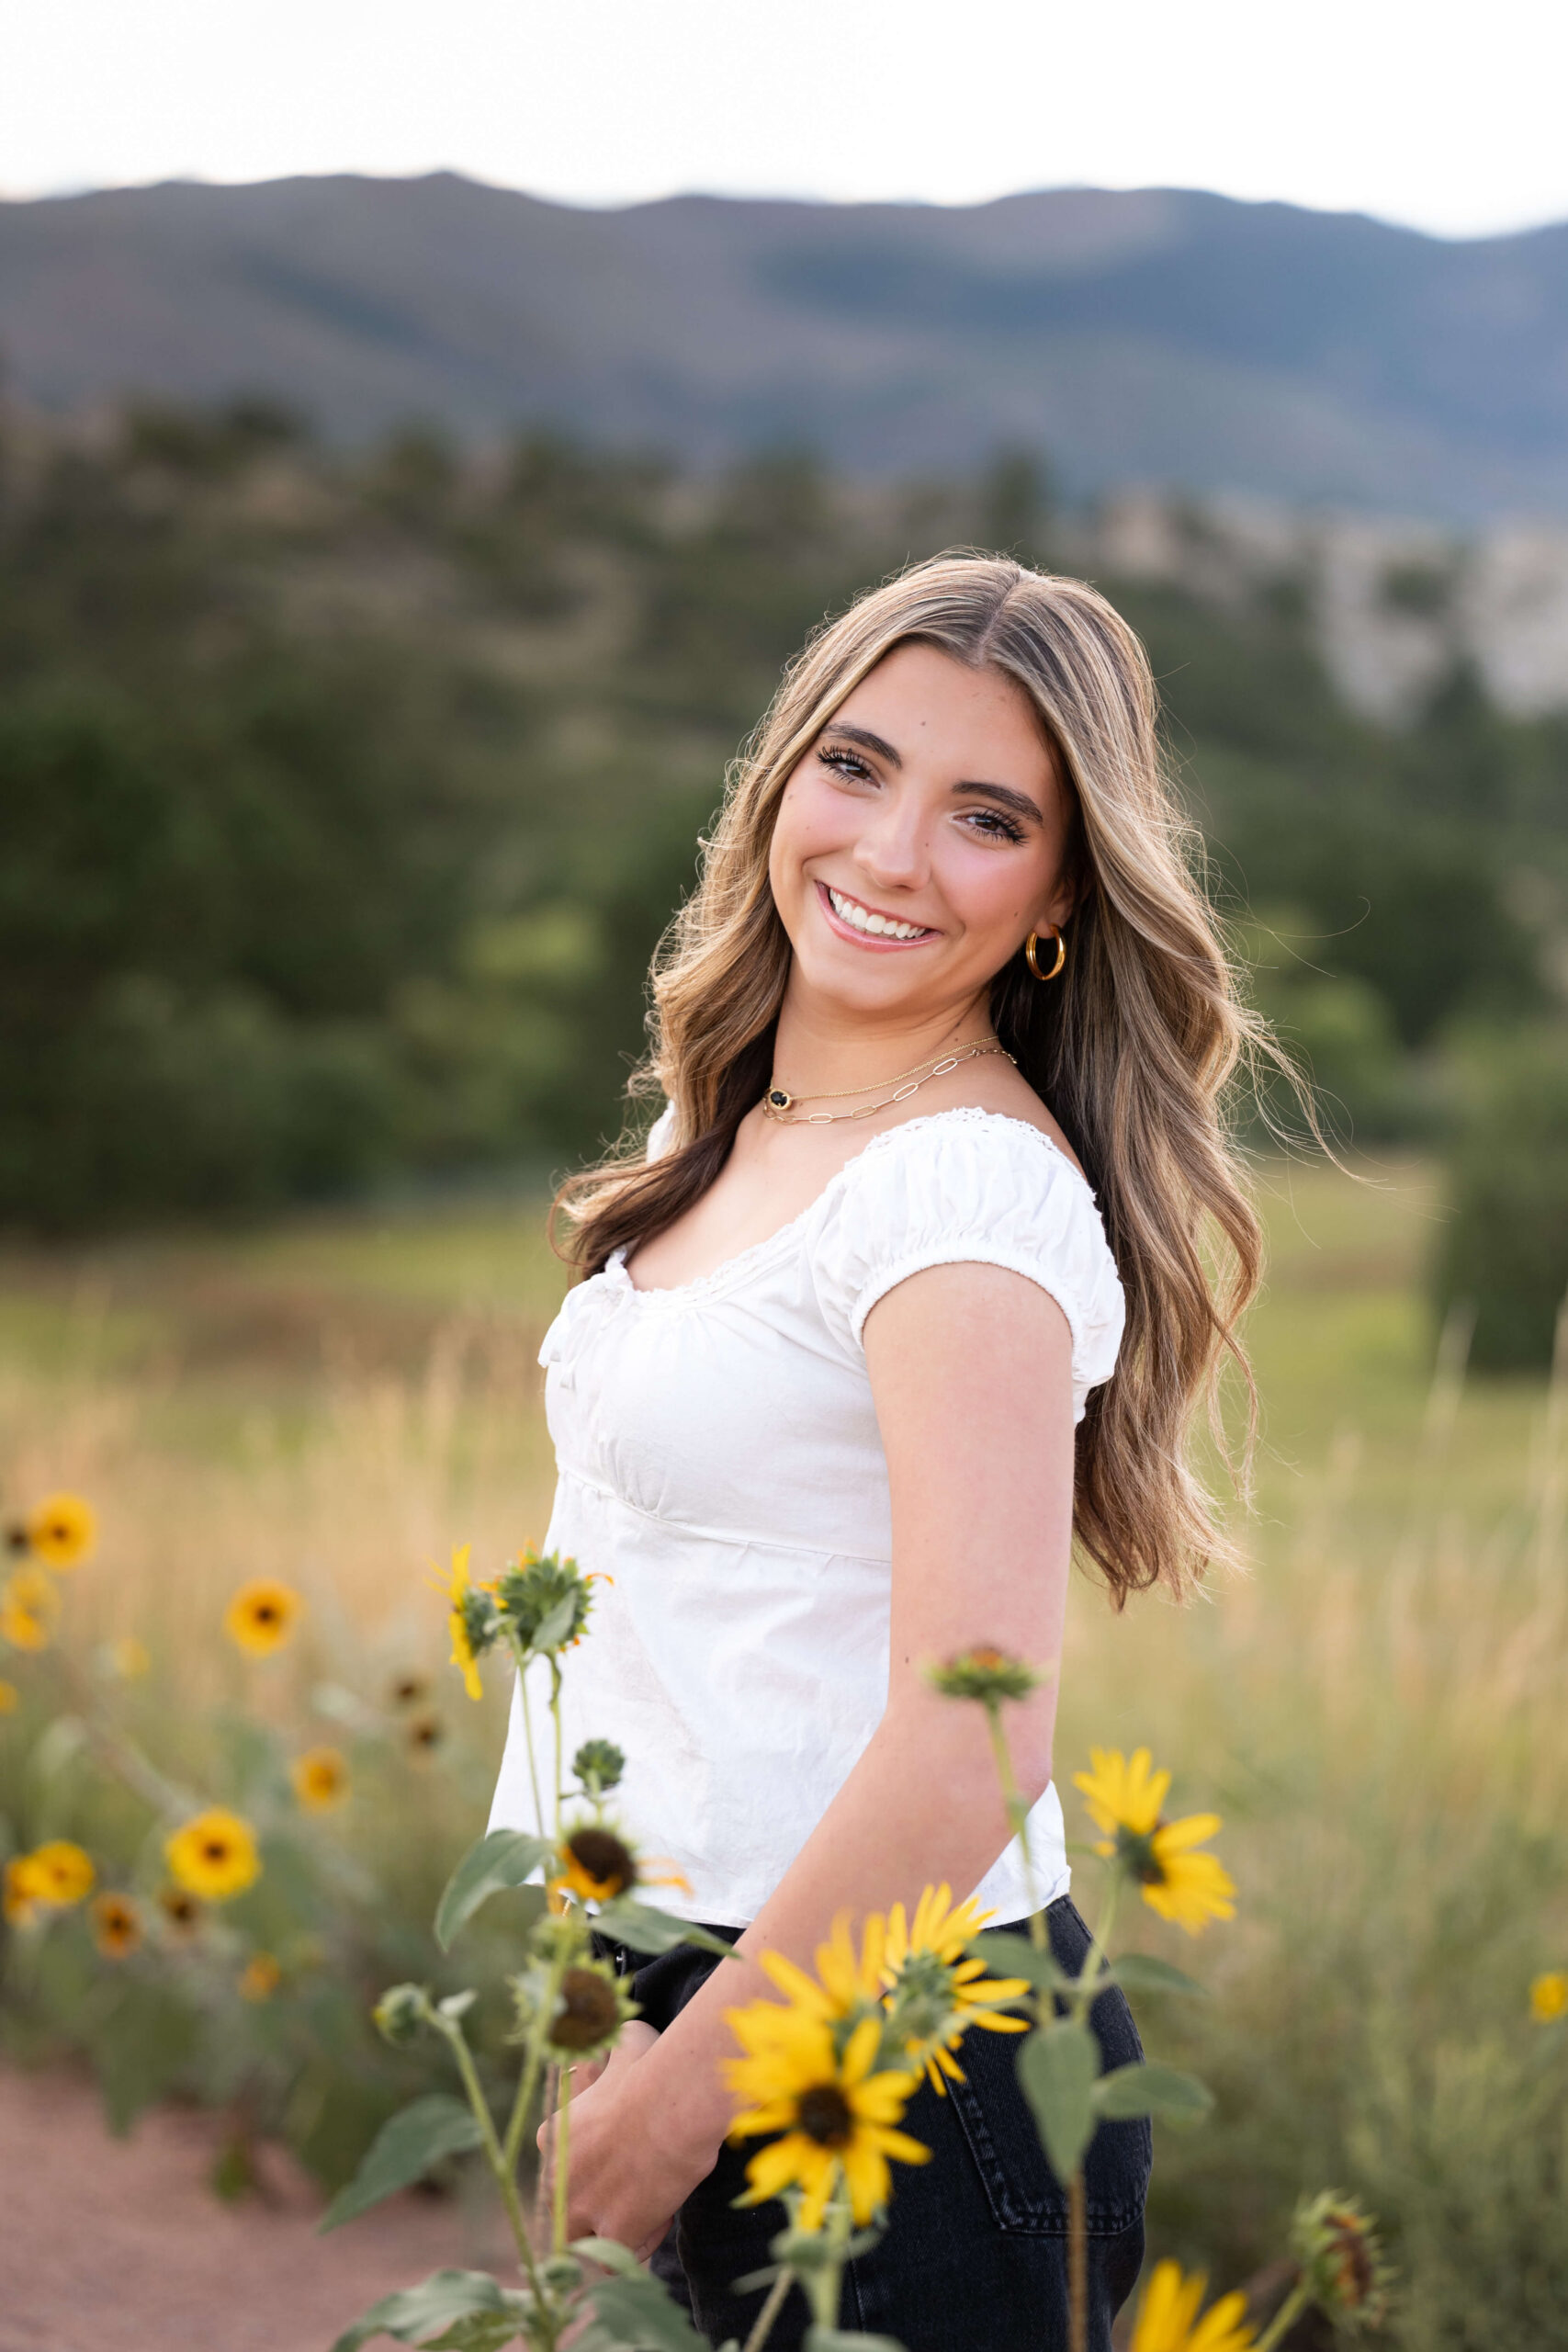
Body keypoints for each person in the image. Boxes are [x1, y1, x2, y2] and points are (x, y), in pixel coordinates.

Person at [488, 553, 1267, 2349]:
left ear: (1064, 887)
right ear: (778, 779)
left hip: (900, 2073)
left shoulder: (958, 1194)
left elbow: (972, 1732)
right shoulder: (748, 1112)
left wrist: (679, 2099)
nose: (891, 853)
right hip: (699, 1983)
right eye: (854, 767)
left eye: (983, 815)